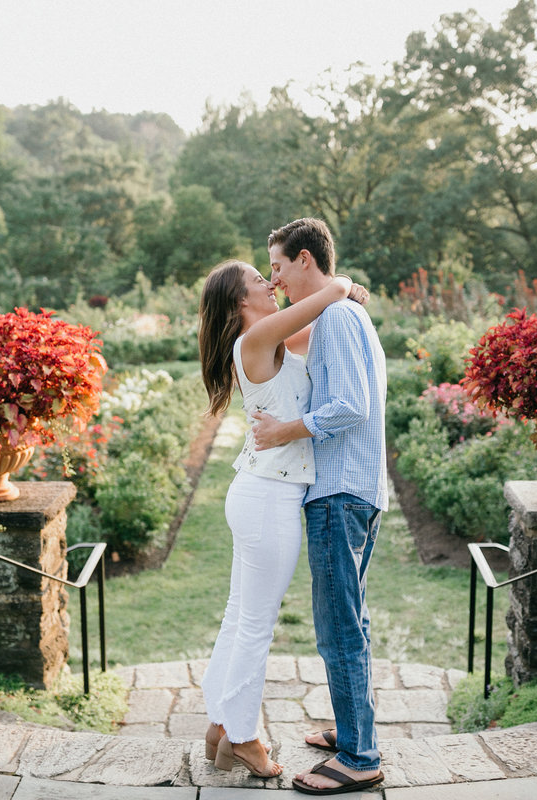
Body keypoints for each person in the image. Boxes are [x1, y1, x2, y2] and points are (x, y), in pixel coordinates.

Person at [196, 258, 365, 779]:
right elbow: (328, 295)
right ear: (240, 302)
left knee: (239, 614)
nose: (269, 285)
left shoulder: (270, 343)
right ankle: (245, 737)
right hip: (269, 498)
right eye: (258, 280)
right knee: (255, 625)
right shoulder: (255, 339)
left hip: (261, 494)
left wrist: (347, 301)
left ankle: (222, 723)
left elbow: (328, 320)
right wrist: (339, 284)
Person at [251, 218, 388, 795]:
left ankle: (360, 758)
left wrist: (283, 432)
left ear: (305, 259)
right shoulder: (335, 313)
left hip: (339, 492)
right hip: (352, 488)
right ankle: (352, 728)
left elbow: (350, 406)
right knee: (347, 618)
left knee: (338, 628)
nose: (274, 279)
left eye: (278, 266)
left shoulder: (337, 316)